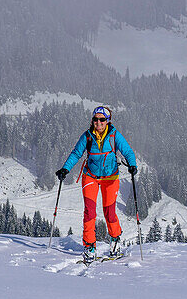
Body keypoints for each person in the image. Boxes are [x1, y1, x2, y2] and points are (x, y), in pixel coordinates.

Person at [56, 105, 137, 260]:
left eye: (102, 119)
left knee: (109, 212)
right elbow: (76, 153)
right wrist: (65, 169)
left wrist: (132, 165)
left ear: (108, 121)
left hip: (110, 178)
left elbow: (127, 151)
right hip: (90, 176)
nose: (98, 123)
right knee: (90, 212)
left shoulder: (114, 136)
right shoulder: (87, 136)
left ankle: (115, 241)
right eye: (95, 119)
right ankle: (90, 247)